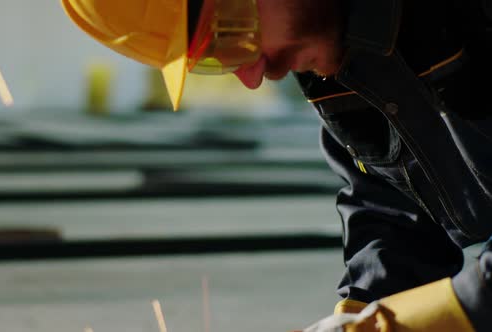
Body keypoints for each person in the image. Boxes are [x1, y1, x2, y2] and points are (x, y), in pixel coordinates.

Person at [61, 0, 492, 331]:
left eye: (230, 32)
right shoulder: (334, 51)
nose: (251, 75)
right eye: (218, 58)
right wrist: (364, 307)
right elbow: (393, 198)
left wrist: (433, 317)